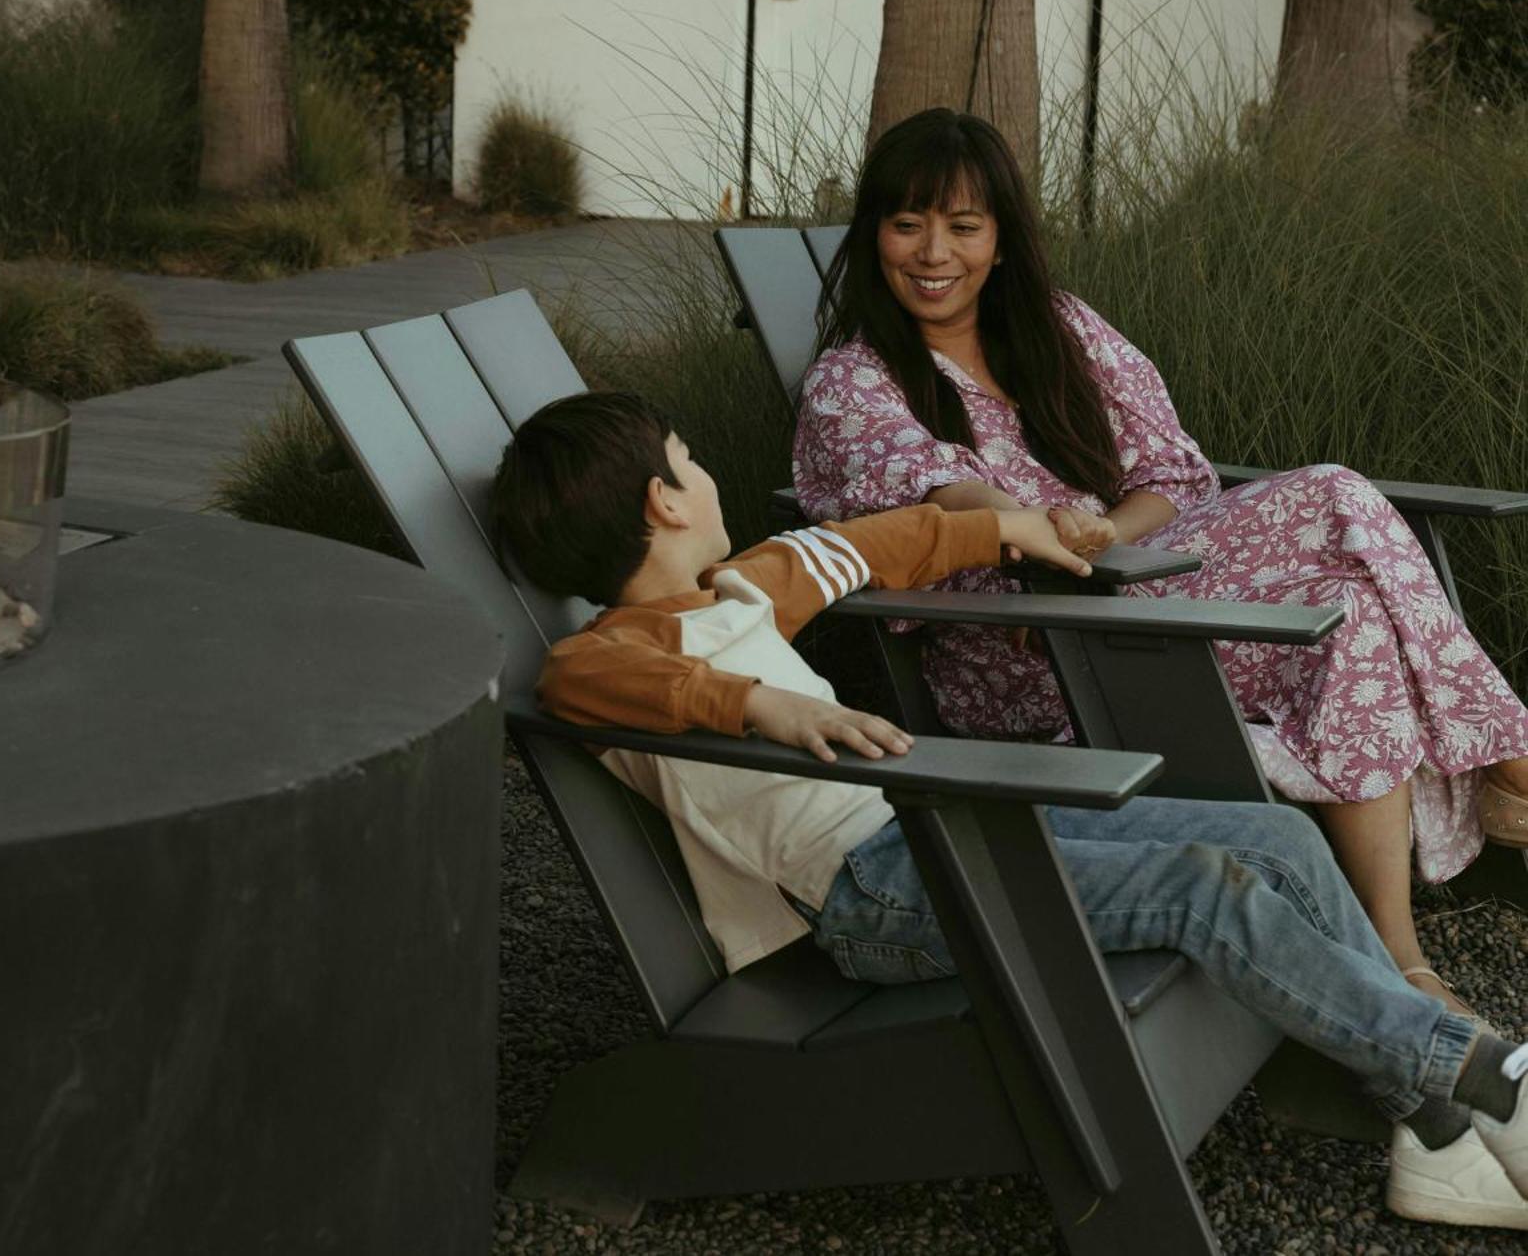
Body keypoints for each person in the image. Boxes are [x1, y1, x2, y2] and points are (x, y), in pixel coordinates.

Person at [492, 388, 1528, 1231]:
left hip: (932, 829)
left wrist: (1002, 527)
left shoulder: (742, 588)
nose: (702, 473)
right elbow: (577, 686)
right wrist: (751, 702)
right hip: (871, 894)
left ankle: (1430, 1130)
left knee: (1272, 833)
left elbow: (881, 544)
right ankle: (1481, 1078)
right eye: (686, 457)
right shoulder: (604, 655)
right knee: (1201, 889)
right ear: (664, 502)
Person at [790, 107, 1528, 1021]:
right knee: (1334, 490)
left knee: (1347, 603)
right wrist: (1034, 527)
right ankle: (1508, 761)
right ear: (874, 236)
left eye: (963, 226)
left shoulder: (1061, 328)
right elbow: (940, 498)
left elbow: (1173, 471)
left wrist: (1101, 530)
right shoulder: (852, 383)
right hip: (1023, 653)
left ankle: (1398, 955)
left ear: (1003, 241)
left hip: (1133, 590)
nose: (933, 252)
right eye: (907, 224)